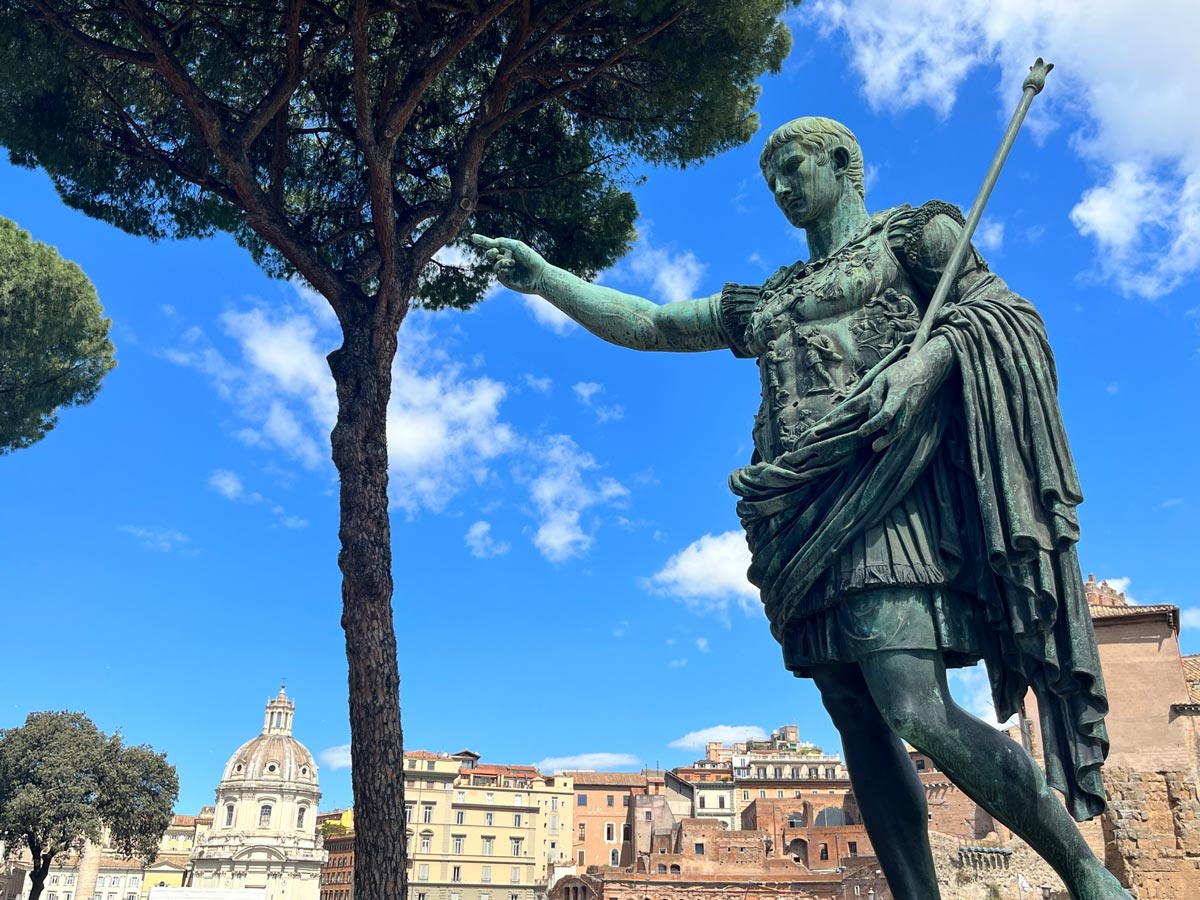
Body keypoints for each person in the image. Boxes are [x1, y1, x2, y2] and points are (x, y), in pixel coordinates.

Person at [474, 116, 1130, 900]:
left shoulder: (915, 235)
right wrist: (547, 278)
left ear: (845, 163)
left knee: (912, 703)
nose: (782, 187)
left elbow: (1005, 319)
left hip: (888, 496)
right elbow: (650, 323)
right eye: (770, 177)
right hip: (797, 515)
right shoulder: (770, 296)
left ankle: (1085, 871)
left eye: (794, 166)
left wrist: (924, 364)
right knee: (857, 717)